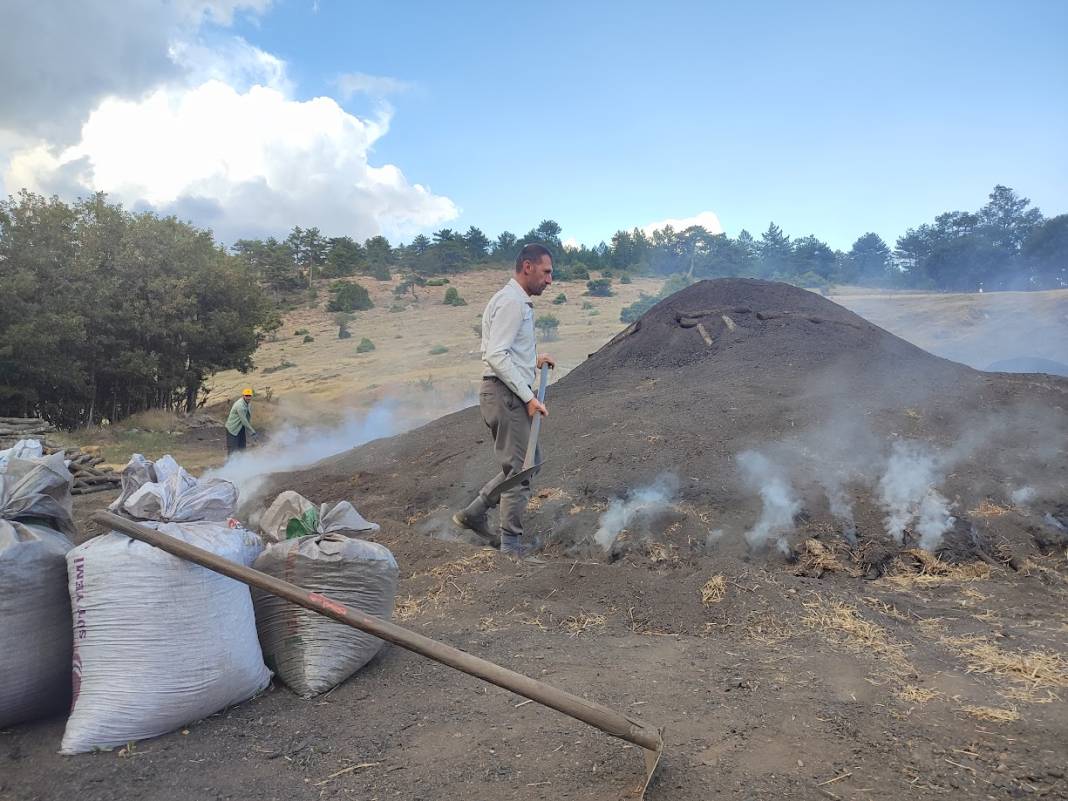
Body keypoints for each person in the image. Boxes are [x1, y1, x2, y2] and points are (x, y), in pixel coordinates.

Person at [453, 243, 556, 557]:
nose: (550, 280)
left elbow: (503, 351)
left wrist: (531, 361)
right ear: (528, 267)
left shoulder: (511, 300)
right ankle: (510, 547)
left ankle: (474, 512)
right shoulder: (512, 302)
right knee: (520, 472)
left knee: (526, 464)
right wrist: (528, 397)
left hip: (505, 391)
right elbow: (495, 354)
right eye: (546, 271)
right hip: (506, 395)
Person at [225, 388, 258, 454]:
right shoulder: (240, 406)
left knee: (242, 448)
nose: (248, 398)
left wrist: (250, 431)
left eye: (249, 396)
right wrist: (252, 431)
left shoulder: (247, 403)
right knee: (233, 450)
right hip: (232, 429)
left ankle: (242, 463)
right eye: (246, 396)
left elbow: (247, 417)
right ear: (243, 396)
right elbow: (244, 420)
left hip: (240, 428)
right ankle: (231, 464)